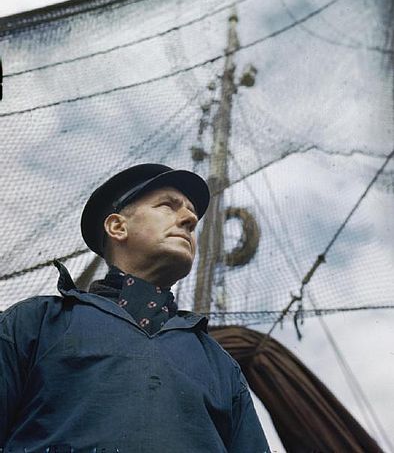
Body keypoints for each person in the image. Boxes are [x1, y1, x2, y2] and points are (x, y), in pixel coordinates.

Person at [0, 163, 271, 452]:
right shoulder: (36, 323)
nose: (191, 218)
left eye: (192, 213)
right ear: (117, 227)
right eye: (168, 205)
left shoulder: (221, 365)